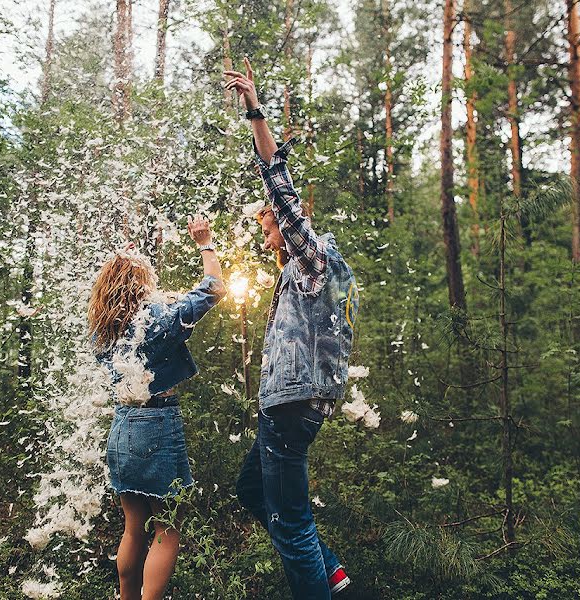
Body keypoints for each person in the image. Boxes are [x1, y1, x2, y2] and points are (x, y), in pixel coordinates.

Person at [225, 58, 360, 599]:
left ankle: (317, 577)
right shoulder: (317, 272)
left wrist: (254, 110)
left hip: (290, 405)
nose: (267, 238)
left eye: (268, 228)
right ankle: (328, 569)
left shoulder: (312, 258)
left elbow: (277, 180)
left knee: (292, 521)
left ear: (286, 224)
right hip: (296, 403)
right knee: (251, 487)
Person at [88, 217, 225, 600]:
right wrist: (205, 244)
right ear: (140, 285)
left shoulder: (104, 330)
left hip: (122, 426)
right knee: (167, 527)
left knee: (133, 528)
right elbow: (213, 288)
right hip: (157, 425)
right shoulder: (157, 321)